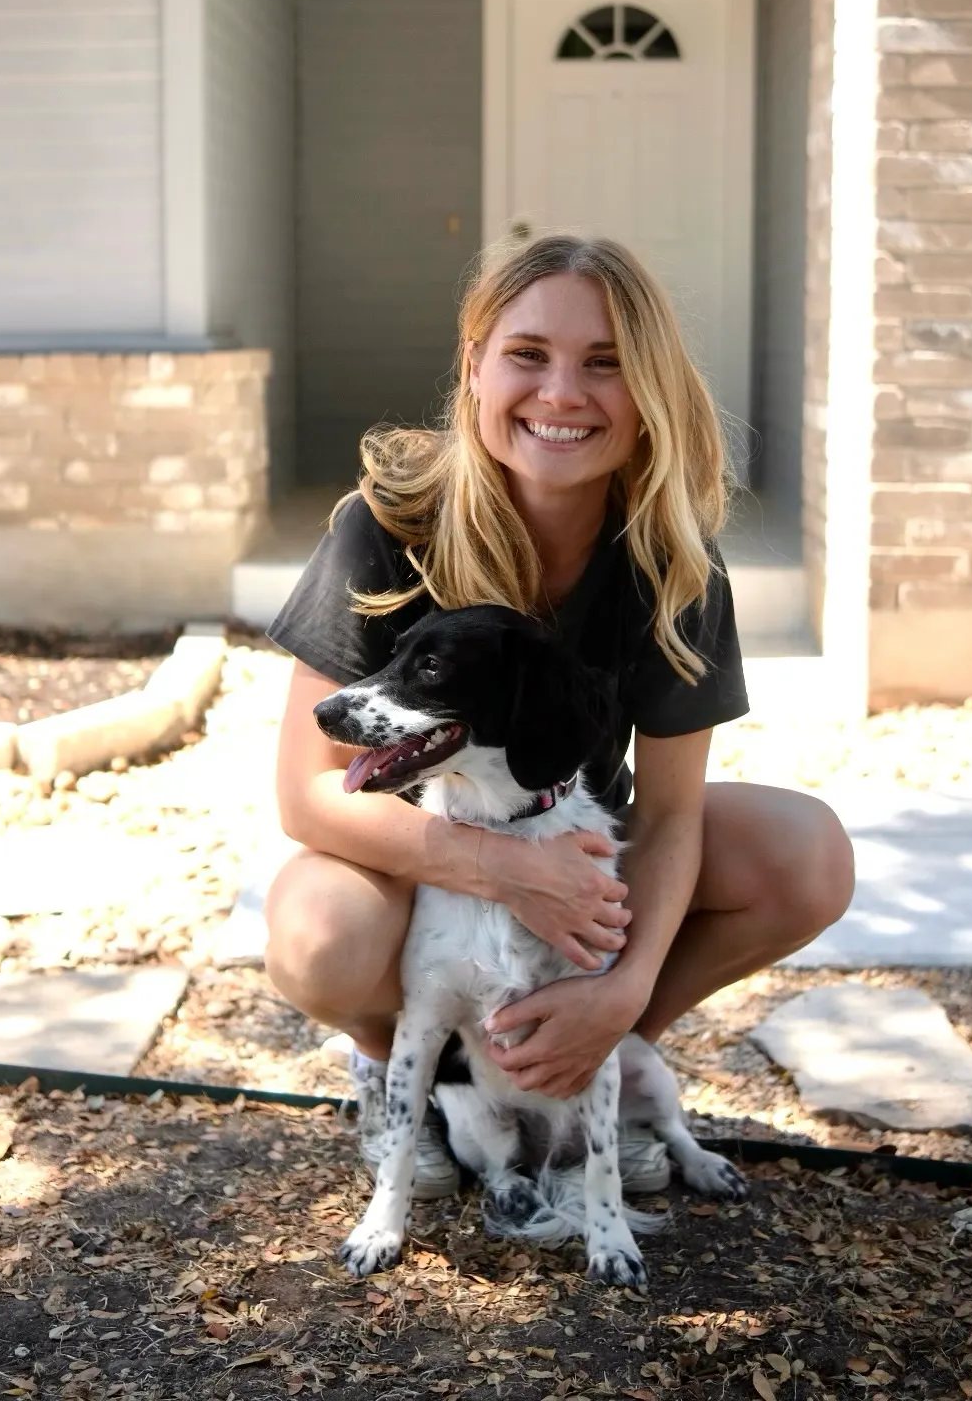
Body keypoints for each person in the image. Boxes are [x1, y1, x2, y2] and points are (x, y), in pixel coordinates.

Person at [265, 234, 854, 1198]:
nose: (562, 394)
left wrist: (619, 997)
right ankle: (401, 1069)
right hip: (430, 849)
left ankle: (575, 1066)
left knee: (808, 852)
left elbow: (667, 818)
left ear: (651, 389)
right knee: (317, 929)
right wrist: (505, 870)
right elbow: (305, 794)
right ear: (476, 368)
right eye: (529, 355)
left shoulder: (674, 562)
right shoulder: (388, 524)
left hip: (574, 837)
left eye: (606, 364)